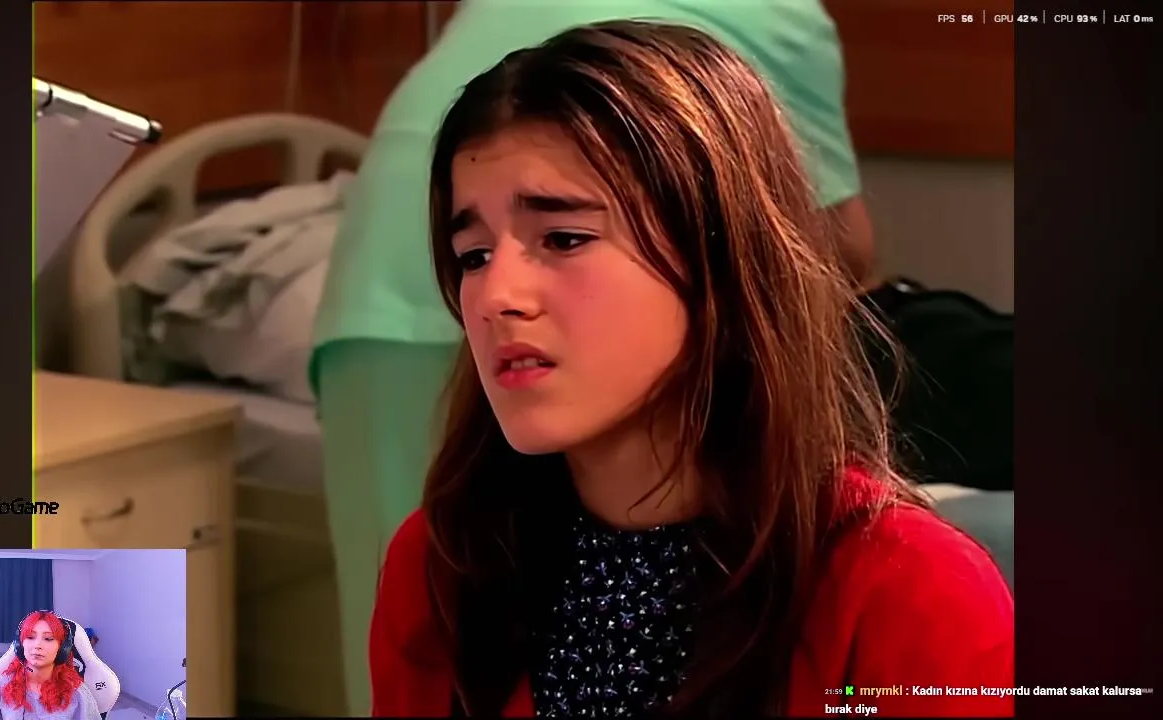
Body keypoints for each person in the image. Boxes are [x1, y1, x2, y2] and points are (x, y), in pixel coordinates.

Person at [369, 20, 1014, 718]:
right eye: (473, 256)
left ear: (723, 266)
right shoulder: (446, 564)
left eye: (564, 238)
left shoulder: (908, 591)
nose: (496, 296)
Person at [0, 611, 100, 720]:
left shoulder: (77, 693)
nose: (37, 645)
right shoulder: (1, 686)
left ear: (62, 648)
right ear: (20, 645)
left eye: (48, 639)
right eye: (30, 637)